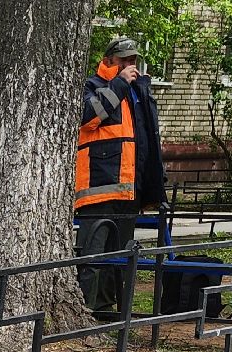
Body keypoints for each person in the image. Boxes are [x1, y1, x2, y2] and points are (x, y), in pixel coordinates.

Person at [75, 35, 169, 319]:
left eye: (133, 61)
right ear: (108, 61)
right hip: (98, 190)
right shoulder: (92, 86)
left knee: (119, 259)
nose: (130, 66)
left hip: (129, 192)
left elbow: (147, 141)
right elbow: (89, 116)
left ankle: (107, 312)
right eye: (124, 61)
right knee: (92, 256)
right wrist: (119, 83)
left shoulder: (136, 92)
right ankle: (84, 309)